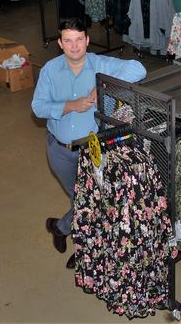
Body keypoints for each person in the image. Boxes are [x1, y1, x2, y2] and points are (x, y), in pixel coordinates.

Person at [31, 18, 147, 269]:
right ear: (60, 43)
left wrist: (102, 85)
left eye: (79, 40)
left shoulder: (100, 63)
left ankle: (82, 249)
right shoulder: (50, 70)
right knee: (83, 200)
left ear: (87, 40)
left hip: (92, 151)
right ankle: (61, 228)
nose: (74, 46)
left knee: (91, 202)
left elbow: (139, 68)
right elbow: (38, 108)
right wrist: (71, 106)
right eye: (68, 40)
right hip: (60, 151)